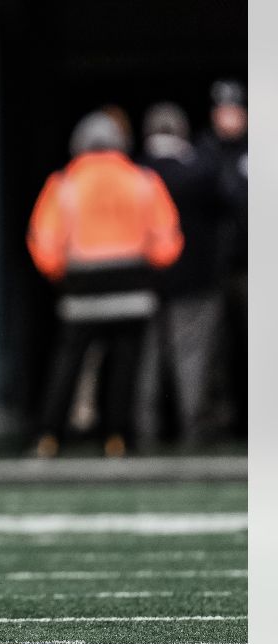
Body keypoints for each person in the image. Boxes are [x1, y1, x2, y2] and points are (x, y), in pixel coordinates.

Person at [27, 110, 182, 458]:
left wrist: (59, 274)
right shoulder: (144, 180)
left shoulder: (64, 183)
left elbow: (44, 242)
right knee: (125, 364)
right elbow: (167, 242)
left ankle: (48, 437)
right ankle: (117, 438)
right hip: (133, 289)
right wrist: (148, 266)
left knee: (69, 362)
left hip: (81, 291)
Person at [135, 102, 227, 448]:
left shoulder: (138, 170)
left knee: (148, 360)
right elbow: (226, 204)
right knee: (192, 358)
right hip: (195, 280)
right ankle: (192, 429)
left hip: (145, 280)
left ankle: (145, 430)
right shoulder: (200, 170)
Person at [196, 80, 247, 441]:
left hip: (251, 267)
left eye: (235, 109)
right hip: (214, 268)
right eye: (222, 110)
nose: (228, 117)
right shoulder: (204, 151)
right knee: (215, 352)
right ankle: (221, 421)